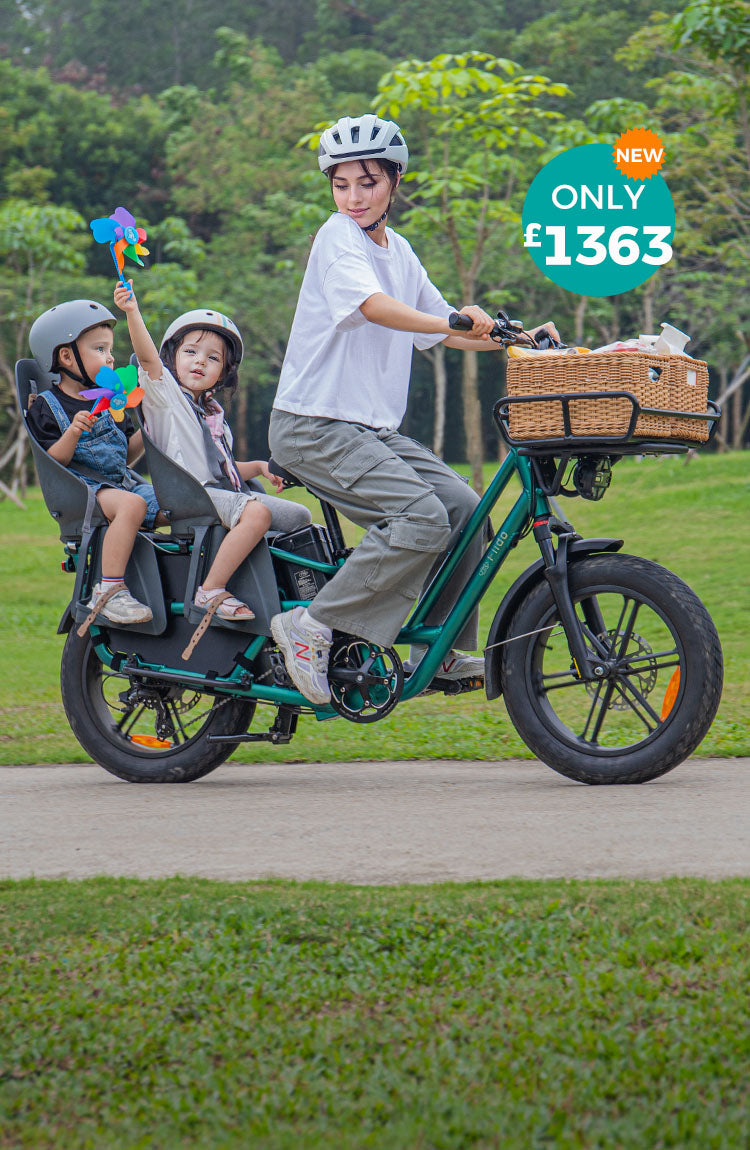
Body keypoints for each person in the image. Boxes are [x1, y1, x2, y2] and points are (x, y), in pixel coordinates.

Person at [268, 113, 559, 705]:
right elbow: (376, 308)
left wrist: (516, 337)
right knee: (421, 518)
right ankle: (312, 627)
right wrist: (452, 320)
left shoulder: (398, 250)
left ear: (394, 182)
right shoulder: (336, 240)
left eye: (368, 182)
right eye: (341, 183)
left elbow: (447, 331)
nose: (353, 196)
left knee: (464, 509)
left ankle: (440, 649)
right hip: (312, 424)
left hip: (369, 430)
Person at [114, 282, 312, 625]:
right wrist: (132, 312)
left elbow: (222, 468)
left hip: (219, 491)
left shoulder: (212, 414)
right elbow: (146, 358)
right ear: (172, 357)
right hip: (191, 496)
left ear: (224, 372)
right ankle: (211, 589)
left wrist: (261, 467)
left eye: (213, 357)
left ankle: (278, 590)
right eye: (191, 352)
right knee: (256, 515)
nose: (200, 362)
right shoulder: (165, 399)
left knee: (298, 517)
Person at [27, 299, 164, 627]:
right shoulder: (48, 406)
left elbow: (124, 457)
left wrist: (148, 429)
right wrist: (73, 432)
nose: (111, 357)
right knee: (131, 506)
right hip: (81, 490)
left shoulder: (111, 401)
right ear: (66, 356)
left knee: (177, 503)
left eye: (110, 350)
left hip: (119, 484)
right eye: (100, 349)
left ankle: (173, 581)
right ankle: (109, 590)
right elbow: (53, 463)